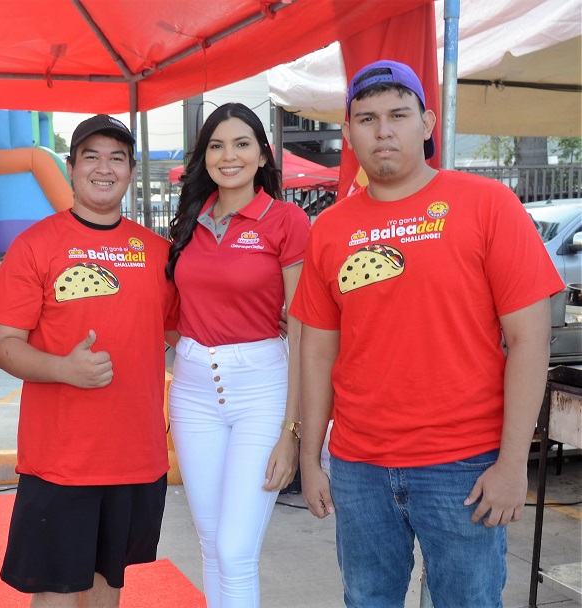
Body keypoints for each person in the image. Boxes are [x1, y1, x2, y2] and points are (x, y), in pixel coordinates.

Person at [290, 60, 563, 607]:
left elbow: (531, 340)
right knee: (367, 600)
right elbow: (317, 352)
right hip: (359, 467)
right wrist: (310, 459)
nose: (383, 130)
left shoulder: (487, 205)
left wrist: (513, 466)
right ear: (347, 133)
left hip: (464, 466)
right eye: (366, 118)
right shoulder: (330, 230)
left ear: (428, 123)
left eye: (398, 114)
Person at [0, 114, 179, 608]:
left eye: (116, 158)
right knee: (54, 591)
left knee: (107, 585)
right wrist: (63, 369)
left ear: (131, 171)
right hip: (60, 460)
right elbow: (1, 343)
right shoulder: (34, 246)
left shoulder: (157, 252)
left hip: (135, 457)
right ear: (71, 168)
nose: (104, 168)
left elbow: (187, 329)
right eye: (91, 156)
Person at [165, 102, 309, 607]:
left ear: (263, 153)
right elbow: (175, 310)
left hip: (262, 392)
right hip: (192, 390)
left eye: (242, 143)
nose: (229, 156)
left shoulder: (286, 221)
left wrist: (293, 433)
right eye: (216, 145)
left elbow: (306, 328)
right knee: (209, 543)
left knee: (234, 548)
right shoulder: (188, 221)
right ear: (204, 156)